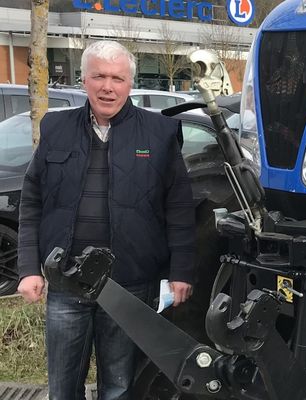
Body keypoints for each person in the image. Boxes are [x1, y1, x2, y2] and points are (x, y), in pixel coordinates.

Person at [17, 40, 196, 400]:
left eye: (117, 78)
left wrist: (182, 272)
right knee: (63, 388)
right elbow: (32, 200)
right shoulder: (55, 127)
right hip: (66, 281)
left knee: (119, 386)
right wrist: (28, 269)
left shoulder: (159, 134)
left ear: (130, 83)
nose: (108, 87)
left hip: (129, 285)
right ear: (84, 80)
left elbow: (179, 207)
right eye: (99, 76)